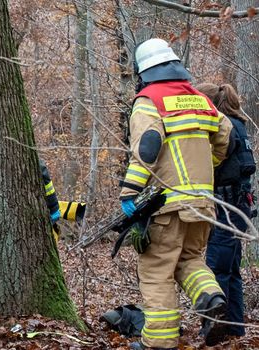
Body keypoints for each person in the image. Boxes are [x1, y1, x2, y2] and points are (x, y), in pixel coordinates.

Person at [118, 38, 232, 349]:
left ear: (144, 72)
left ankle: (159, 343)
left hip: (166, 204)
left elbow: (147, 148)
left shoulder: (148, 100)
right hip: (202, 204)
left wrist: (128, 194)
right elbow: (225, 136)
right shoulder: (199, 99)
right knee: (191, 259)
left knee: (156, 271)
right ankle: (211, 298)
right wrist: (207, 166)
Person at [196, 83, 255, 341]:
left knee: (217, 269)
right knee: (231, 271)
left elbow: (212, 164)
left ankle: (215, 331)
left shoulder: (224, 127)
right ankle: (234, 329)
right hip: (236, 206)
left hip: (226, 208)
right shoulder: (238, 124)